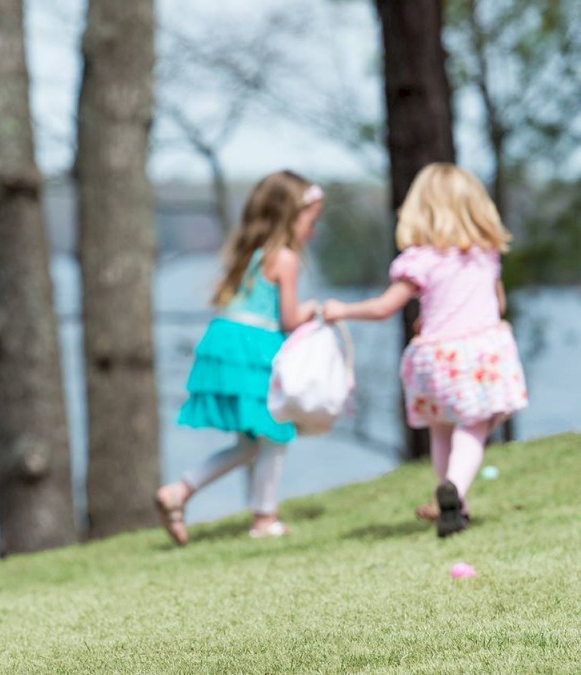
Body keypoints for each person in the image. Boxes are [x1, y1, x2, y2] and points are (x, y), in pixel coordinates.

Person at [323, 163, 527, 538]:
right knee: (475, 424)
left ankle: (449, 500)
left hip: (434, 358)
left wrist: (342, 310)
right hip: (478, 353)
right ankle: (456, 490)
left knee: (441, 428)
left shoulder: (418, 260)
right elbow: (495, 305)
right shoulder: (485, 254)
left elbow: (385, 308)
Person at [155, 170, 323, 545]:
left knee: (251, 443)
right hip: (255, 349)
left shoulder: (249, 254)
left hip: (226, 344)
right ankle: (264, 518)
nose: (311, 231)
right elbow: (289, 319)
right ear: (291, 216)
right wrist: (316, 310)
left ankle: (180, 491)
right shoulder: (285, 258)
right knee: (275, 433)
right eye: (310, 221)